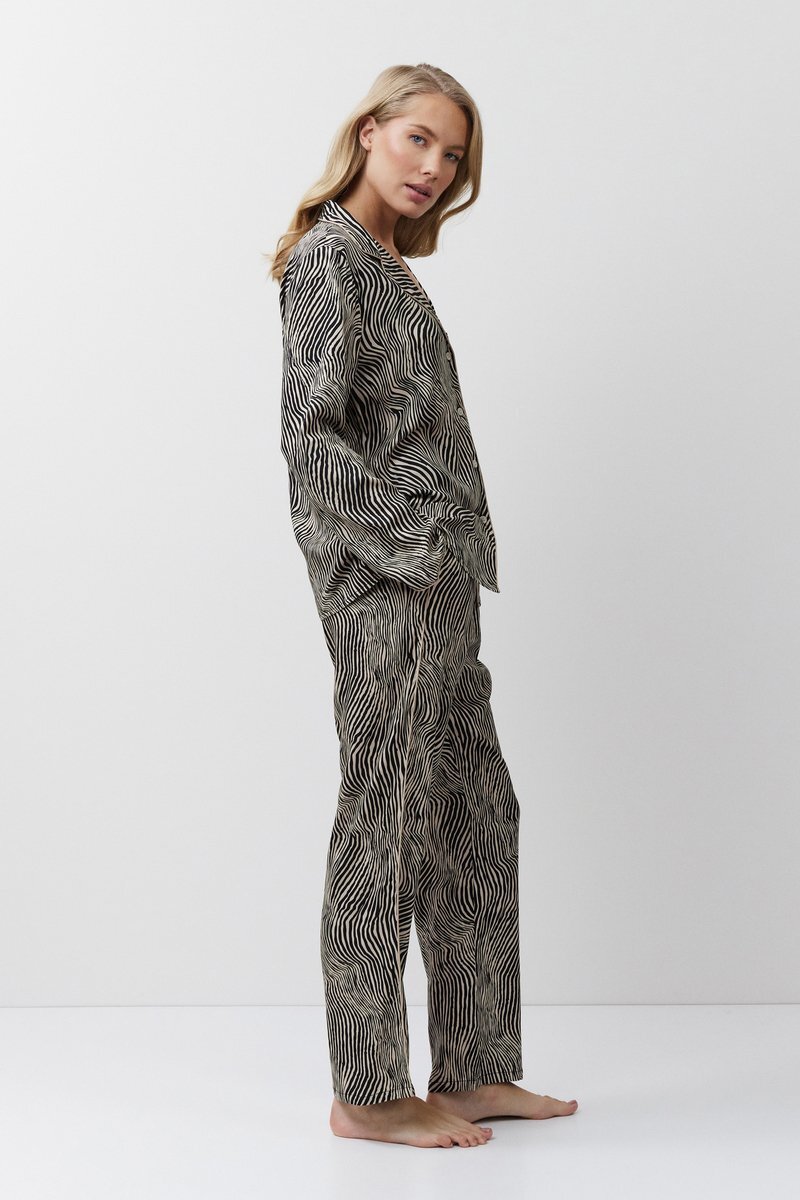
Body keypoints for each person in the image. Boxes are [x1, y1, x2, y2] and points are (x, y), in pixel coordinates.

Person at [267, 62, 578, 1149]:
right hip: (385, 588)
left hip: (440, 586)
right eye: (418, 140)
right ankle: (366, 1091)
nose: (434, 168)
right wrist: (416, 545)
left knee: (474, 813)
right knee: (384, 826)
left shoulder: (387, 263)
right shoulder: (329, 259)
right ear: (369, 130)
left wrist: (448, 558)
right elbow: (310, 443)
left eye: (451, 157)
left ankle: (476, 1066)